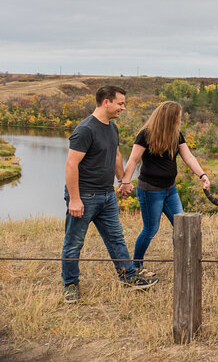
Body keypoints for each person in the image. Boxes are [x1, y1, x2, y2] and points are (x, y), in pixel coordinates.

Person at [61, 85, 158, 303]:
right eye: (120, 103)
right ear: (106, 102)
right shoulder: (85, 129)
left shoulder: (111, 127)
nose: (123, 108)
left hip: (106, 195)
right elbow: (70, 165)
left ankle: (128, 278)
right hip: (84, 196)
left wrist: (123, 180)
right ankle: (70, 285)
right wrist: (75, 199)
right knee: (74, 242)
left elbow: (114, 156)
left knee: (116, 237)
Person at [121, 101, 210, 277]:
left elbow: (189, 157)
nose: (181, 118)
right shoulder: (145, 134)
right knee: (150, 229)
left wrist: (202, 175)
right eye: (179, 115)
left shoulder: (176, 134)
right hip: (150, 190)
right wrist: (125, 182)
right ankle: (137, 265)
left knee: (181, 225)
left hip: (170, 189)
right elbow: (133, 160)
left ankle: (185, 262)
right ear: (170, 117)